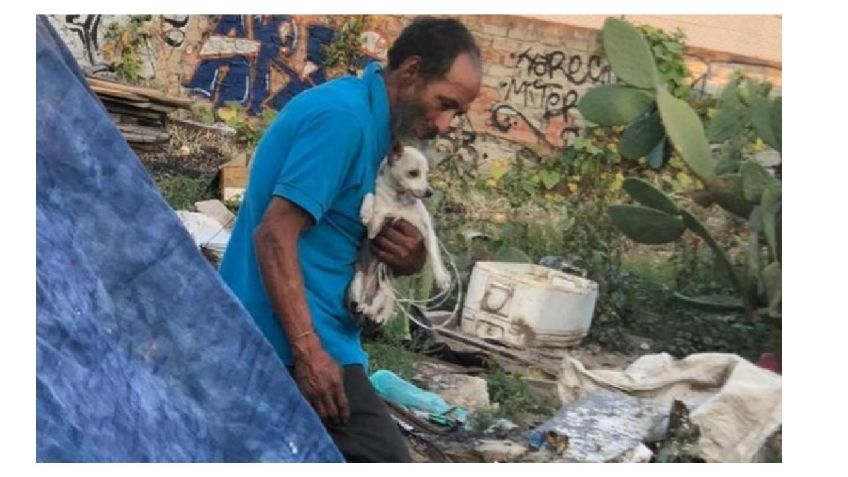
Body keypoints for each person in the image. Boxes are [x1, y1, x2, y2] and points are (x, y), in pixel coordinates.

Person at [219, 16, 482, 462]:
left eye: (456, 112)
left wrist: (407, 258)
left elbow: (342, 234)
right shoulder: (344, 120)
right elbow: (274, 234)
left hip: (326, 341)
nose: (445, 124)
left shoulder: (380, 129)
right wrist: (309, 354)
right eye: (444, 104)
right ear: (411, 71)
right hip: (283, 342)